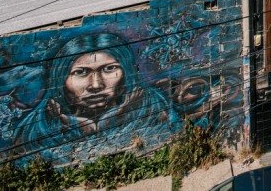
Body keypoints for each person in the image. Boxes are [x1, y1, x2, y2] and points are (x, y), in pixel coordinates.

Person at [16, 32, 178, 163]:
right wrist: (75, 125)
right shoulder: (39, 125)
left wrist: (118, 115)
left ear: (126, 71)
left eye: (109, 69)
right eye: (81, 72)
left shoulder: (153, 104)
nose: (95, 85)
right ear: (61, 80)